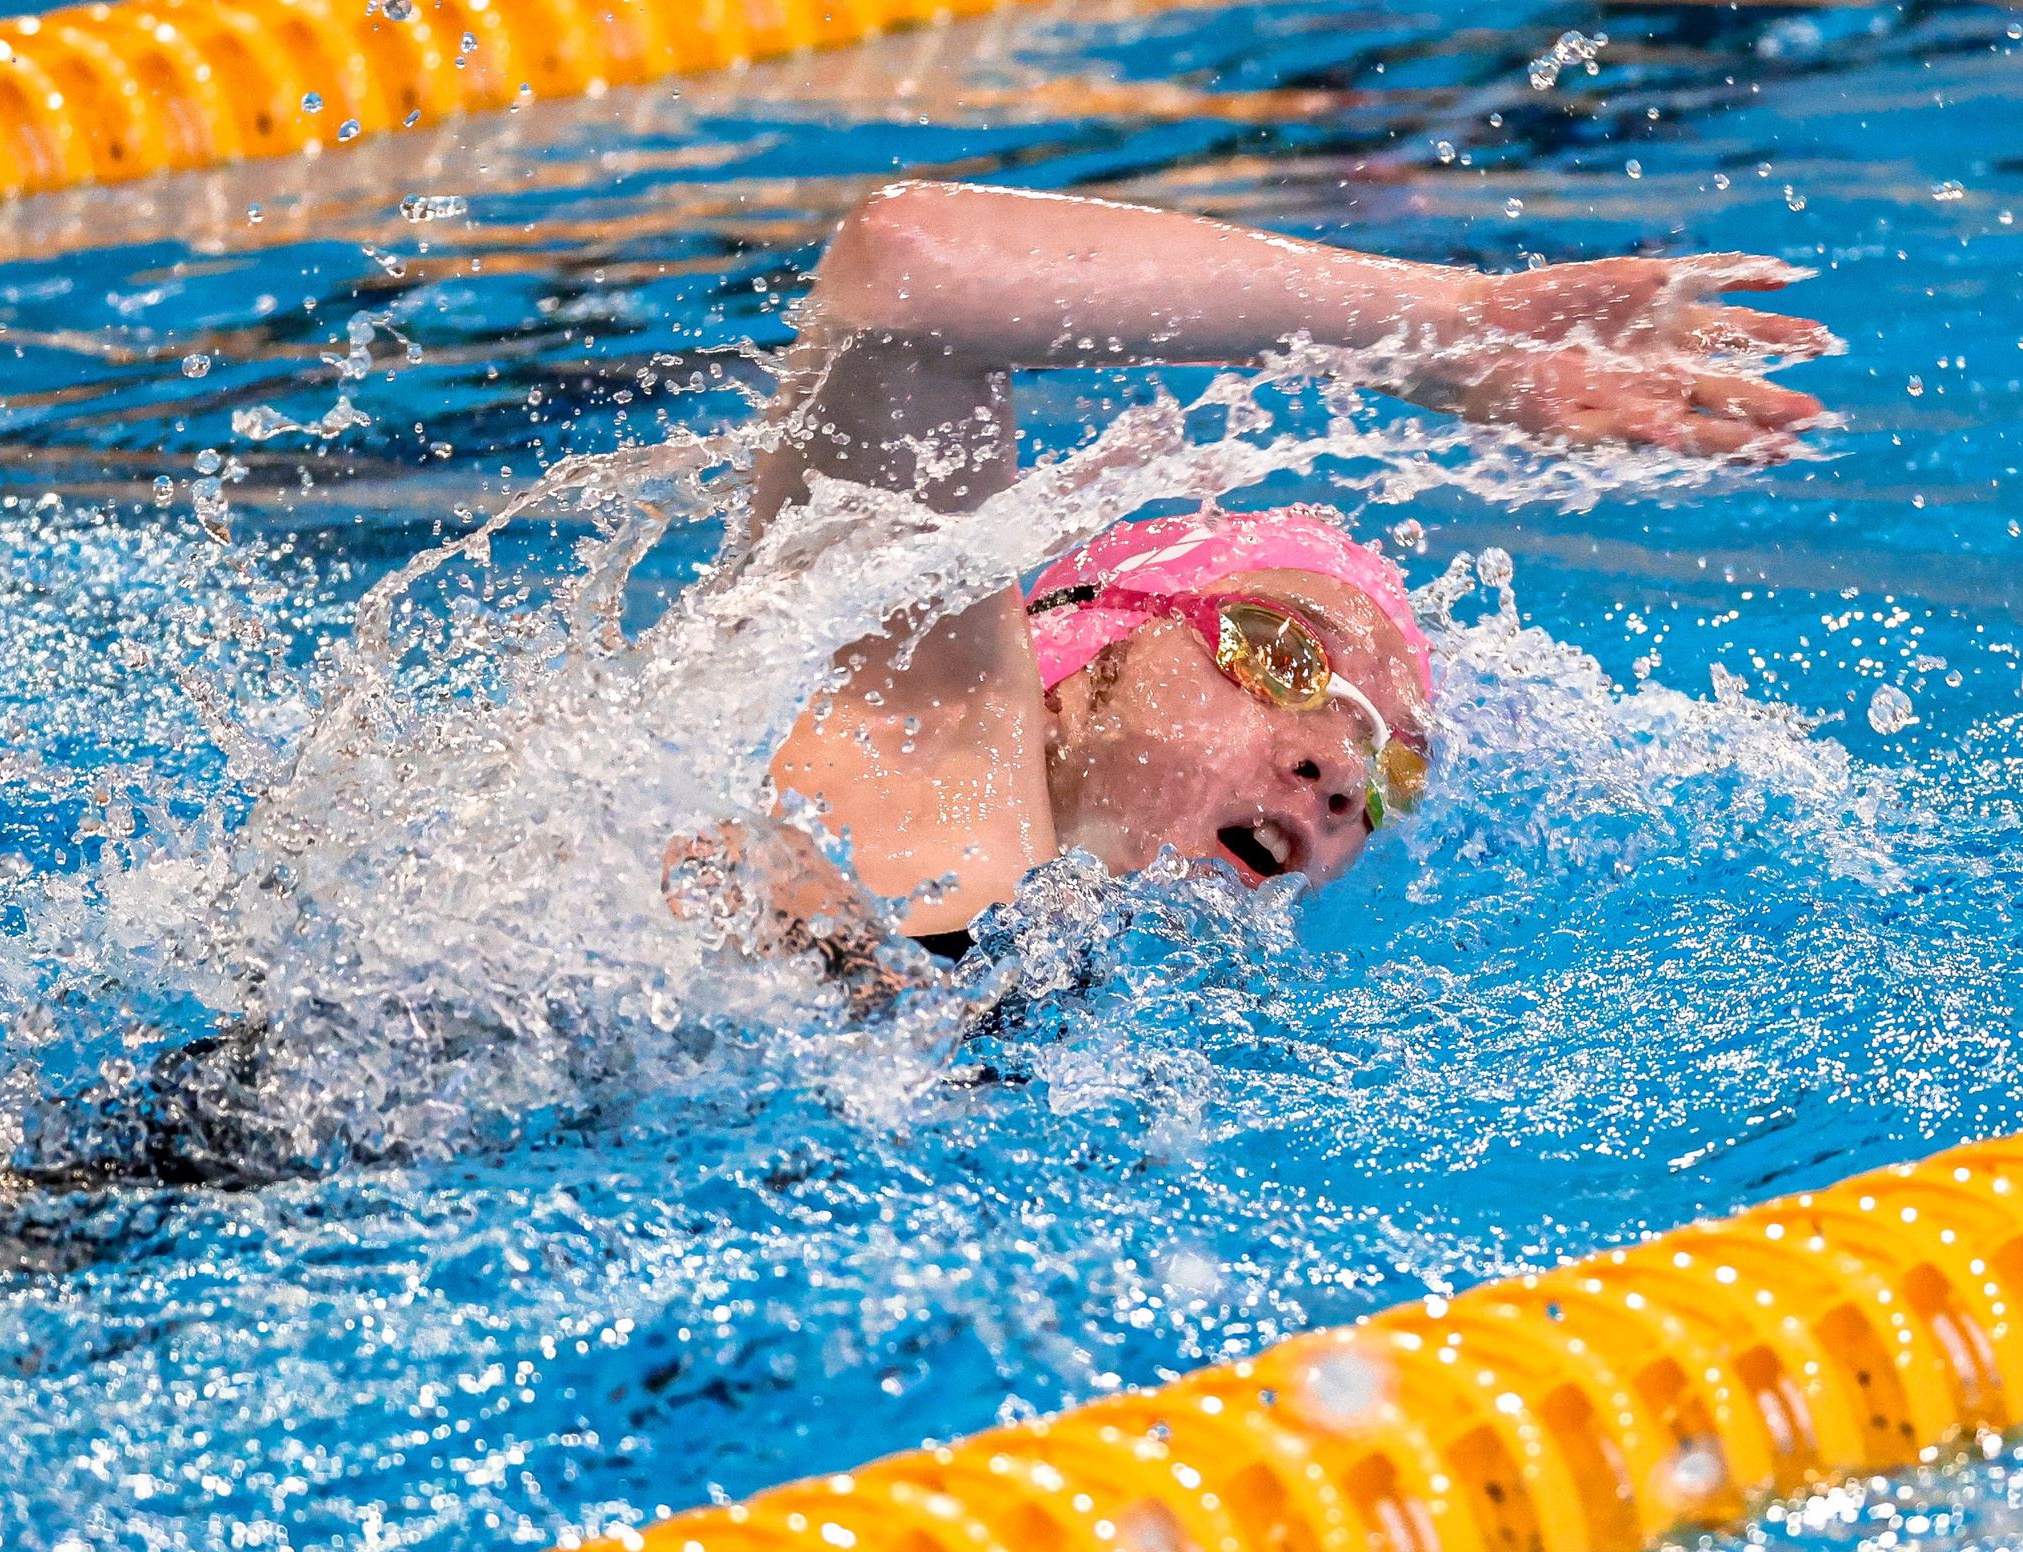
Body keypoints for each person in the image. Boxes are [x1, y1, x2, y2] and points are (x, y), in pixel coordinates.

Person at [662, 180, 1834, 984]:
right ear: (1073, 658)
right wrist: (1443, 332)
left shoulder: (1110, 1019)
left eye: (1393, 767)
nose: (1340, 774)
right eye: (1281, 656)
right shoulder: (925, 747)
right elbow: (907, 275)